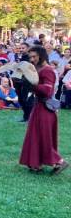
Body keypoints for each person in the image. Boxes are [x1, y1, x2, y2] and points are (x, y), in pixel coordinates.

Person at [19, 46, 68, 174]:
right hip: (39, 106)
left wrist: (32, 84)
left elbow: (47, 91)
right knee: (34, 136)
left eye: (34, 56)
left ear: (41, 55)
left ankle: (60, 162)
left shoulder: (47, 70)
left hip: (45, 108)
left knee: (44, 138)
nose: (32, 59)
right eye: (30, 57)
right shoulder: (38, 69)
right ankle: (36, 164)